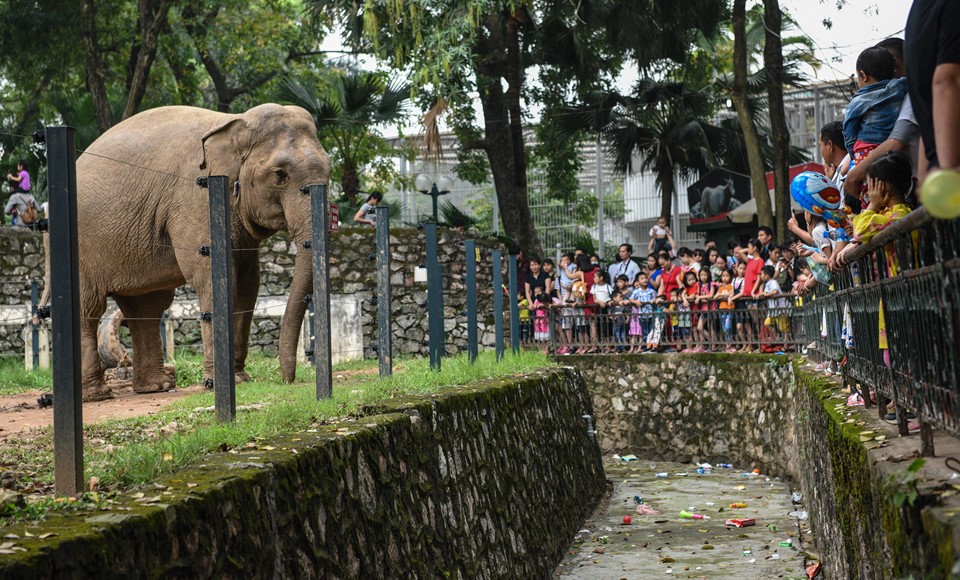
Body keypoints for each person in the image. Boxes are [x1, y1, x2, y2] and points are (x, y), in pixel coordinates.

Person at [844, 38, 920, 198]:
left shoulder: (914, 96)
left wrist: (855, 166)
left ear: (896, 64)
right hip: (904, 176)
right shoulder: (901, 88)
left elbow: (896, 142)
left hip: (915, 183)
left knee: (873, 194)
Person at [905, 0, 960, 176]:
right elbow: (948, 81)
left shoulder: (920, 9)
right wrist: (949, 173)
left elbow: (928, 111)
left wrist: (926, 177)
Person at [629, 271, 657, 353]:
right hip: (642, 315)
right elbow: (631, 299)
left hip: (651, 314)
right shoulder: (636, 291)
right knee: (644, 331)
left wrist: (653, 300)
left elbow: (656, 297)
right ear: (638, 281)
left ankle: (653, 346)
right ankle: (646, 346)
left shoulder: (651, 291)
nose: (644, 280)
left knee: (652, 330)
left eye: (645, 278)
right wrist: (636, 302)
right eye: (642, 279)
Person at [714, 268, 737, 352]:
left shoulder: (731, 286)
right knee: (724, 327)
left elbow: (730, 294)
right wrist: (721, 295)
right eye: (723, 276)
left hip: (729, 308)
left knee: (728, 326)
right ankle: (728, 344)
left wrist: (721, 296)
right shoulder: (721, 288)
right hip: (722, 308)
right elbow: (715, 296)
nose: (724, 278)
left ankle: (729, 344)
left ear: (730, 277)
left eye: (727, 276)